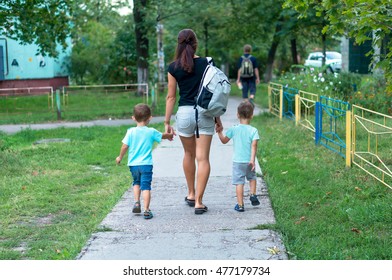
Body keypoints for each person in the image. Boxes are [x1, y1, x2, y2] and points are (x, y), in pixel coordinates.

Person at [164, 29, 223, 215]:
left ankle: (190, 193)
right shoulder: (207, 63)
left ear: (178, 44)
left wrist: (167, 121)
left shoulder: (173, 67)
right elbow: (215, 93)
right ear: (195, 43)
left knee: (188, 154)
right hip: (204, 113)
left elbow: (171, 97)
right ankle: (199, 202)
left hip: (184, 114)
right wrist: (217, 118)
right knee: (203, 158)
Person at [116, 103, 173, 219]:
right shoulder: (151, 131)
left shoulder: (130, 131)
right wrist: (170, 135)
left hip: (133, 165)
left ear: (133, 118)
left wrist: (120, 157)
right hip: (146, 165)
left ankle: (137, 202)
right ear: (150, 118)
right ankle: (147, 210)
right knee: (146, 186)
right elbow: (163, 136)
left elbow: (124, 146)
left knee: (136, 183)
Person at [217, 100, 260, 212]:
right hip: (249, 161)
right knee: (252, 178)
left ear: (237, 115)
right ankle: (252, 194)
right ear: (251, 115)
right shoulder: (254, 130)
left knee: (239, 183)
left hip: (238, 162)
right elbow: (254, 145)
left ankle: (240, 205)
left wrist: (219, 132)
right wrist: (252, 160)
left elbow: (224, 141)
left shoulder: (234, 129)